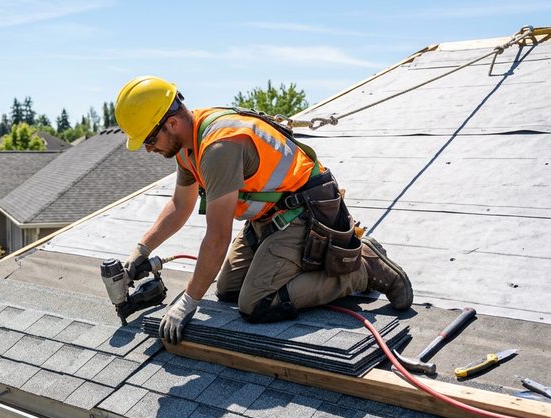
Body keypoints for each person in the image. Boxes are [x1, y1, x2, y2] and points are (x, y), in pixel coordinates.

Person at [115, 76, 413, 344]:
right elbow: (181, 205)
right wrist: (141, 249)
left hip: (303, 214)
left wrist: (189, 300)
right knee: (227, 290)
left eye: (150, 140)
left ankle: (362, 268)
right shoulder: (186, 146)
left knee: (256, 303)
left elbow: (217, 238)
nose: (148, 149)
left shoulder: (218, 147)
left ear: (171, 123)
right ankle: (303, 264)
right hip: (267, 219)